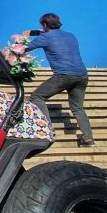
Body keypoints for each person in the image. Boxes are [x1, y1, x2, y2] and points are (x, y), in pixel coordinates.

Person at [24, 13, 94, 147]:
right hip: (82, 75)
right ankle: (88, 138)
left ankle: (47, 130)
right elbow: (54, 36)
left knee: (37, 97)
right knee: (78, 108)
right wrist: (36, 32)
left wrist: (22, 39)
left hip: (63, 76)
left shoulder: (45, 37)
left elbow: (23, 49)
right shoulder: (71, 35)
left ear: (45, 25)